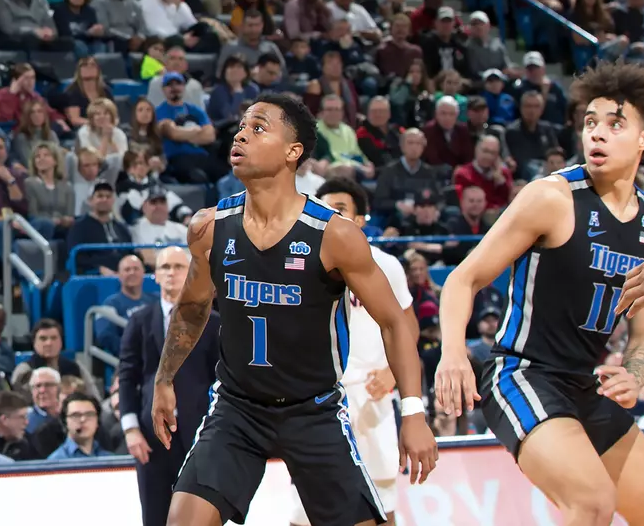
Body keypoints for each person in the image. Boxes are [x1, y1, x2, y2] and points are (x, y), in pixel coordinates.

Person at [151, 93, 437, 526]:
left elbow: (396, 323)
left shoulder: (333, 234)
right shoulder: (209, 228)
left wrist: (414, 412)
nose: (242, 134)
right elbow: (191, 308)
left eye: (259, 127)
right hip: (237, 407)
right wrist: (164, 376)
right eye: (242, 126)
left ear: (293, 152)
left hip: (314, 408)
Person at [436, 63, 644, 524]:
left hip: (584, 383)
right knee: (591, 502)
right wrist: (452, 353)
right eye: (590, 123)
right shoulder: (552, 197)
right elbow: (464, 278)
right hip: (523, 373)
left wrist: (636, 374)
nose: (597, 135)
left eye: (615, 124)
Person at [284, 178, 414, 526]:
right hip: (320, 398)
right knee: (305, 506)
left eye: (339, 208)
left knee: (381, 498)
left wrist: (391, 373)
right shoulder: (299, 262)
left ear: (360, 220)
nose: (329, 214)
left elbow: (408, 327)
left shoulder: (385, 264)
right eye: (323, 207)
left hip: (372, 393)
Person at [115, 246, 217, 526]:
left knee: (203, 518)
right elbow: (127, 376)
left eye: (178, 267)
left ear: (190, 274)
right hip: (151, 438)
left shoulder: (212, 321)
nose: (171, 273)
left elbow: (221, 382)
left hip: (200, 437)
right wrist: (131, 428)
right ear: (155, 276)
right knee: (154, 517)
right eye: (165, 268)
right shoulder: (139, 321)